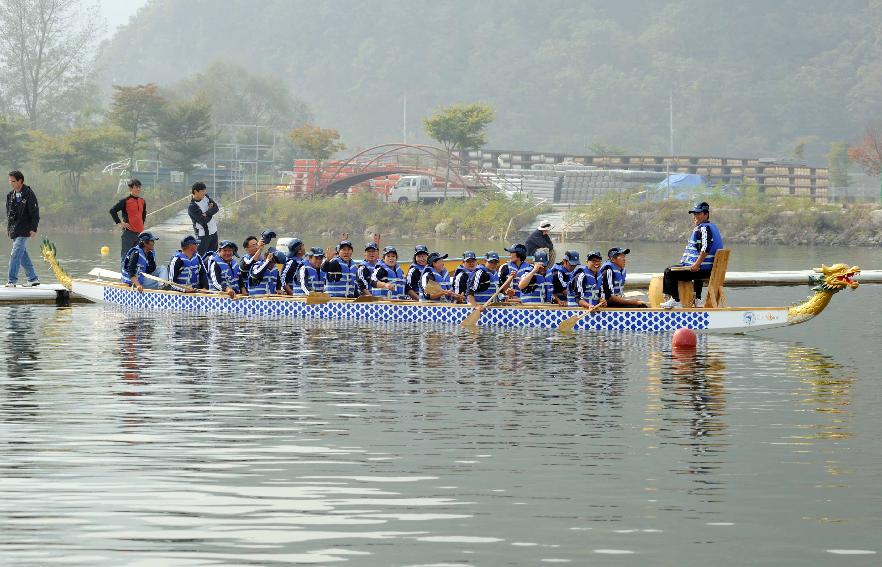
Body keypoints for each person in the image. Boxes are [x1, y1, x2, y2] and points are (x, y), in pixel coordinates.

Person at [661, 202, 725, 309]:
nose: (695, 217)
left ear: (706, 214)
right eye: (694, 214)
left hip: (702, 270)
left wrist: (696, 264)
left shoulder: (704, 228)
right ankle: (698, 299)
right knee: (694, 273)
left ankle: (675, 300)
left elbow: (706, 247)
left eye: (698, 214)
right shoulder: (713, 227)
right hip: (709, 269)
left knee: (669, 272)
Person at [5, 170, 40, 287]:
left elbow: (35, 214)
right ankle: (33, 278)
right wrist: (9, 228)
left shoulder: (29, 194)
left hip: (25, 229)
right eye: (10, 181)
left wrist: (34, 228)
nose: (11, 183)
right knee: (22, 254)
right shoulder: (10, 196)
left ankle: (12, 281)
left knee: (15, 254)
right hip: (15, 229)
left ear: (20, 181)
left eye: (13, 181)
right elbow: (9, 214)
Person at [109, 178, 146, 260]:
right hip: (128, 233)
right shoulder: (125, 201)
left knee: (138, 256)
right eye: (136, 187)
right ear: (130, 188)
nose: (138, 189)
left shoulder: (142, 201)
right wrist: (120, 223)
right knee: (126, 255)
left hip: (140, 234)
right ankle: (124, 271)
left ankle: (136, 272)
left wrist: (141, 226)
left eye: (139, 187)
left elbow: (143, 216)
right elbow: (112, 211)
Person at [188, 181, 220, 256]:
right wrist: (210, 211)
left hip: (214, 231)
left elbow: (216, 208)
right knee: (201, 257)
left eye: (204, 191)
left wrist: (207, 213)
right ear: (196, 191)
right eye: (202, 191)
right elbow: (204, 220)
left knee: (213, 256)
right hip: (203, 235)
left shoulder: (206, 197)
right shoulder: (192, 207)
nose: (204, 193)